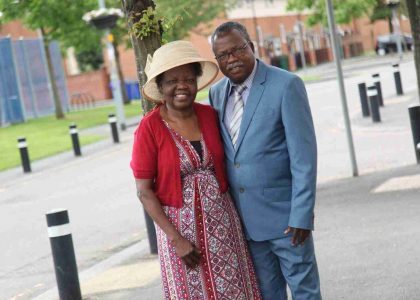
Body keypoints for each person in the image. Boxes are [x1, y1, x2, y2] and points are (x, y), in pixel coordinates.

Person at [130, 40, 261, 300]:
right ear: (161, 86)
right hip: (180, 232)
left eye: (189, 79)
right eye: (172, 81)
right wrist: (176, 239)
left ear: (197, 82)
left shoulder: (210, 115)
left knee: (236, 290)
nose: (182, 86)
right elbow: (144, 192)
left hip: (224, 226)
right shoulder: (150, 128)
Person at [209, 22, 322, 300]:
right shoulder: (216, 94)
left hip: (287, 221)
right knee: (267, 294)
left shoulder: (286, 85)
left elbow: (304, 158)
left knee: (305, 292)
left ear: (252, 47)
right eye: (223, 55)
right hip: (246, 224)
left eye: (238, 49)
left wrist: (302, 214)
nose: (232, 58)